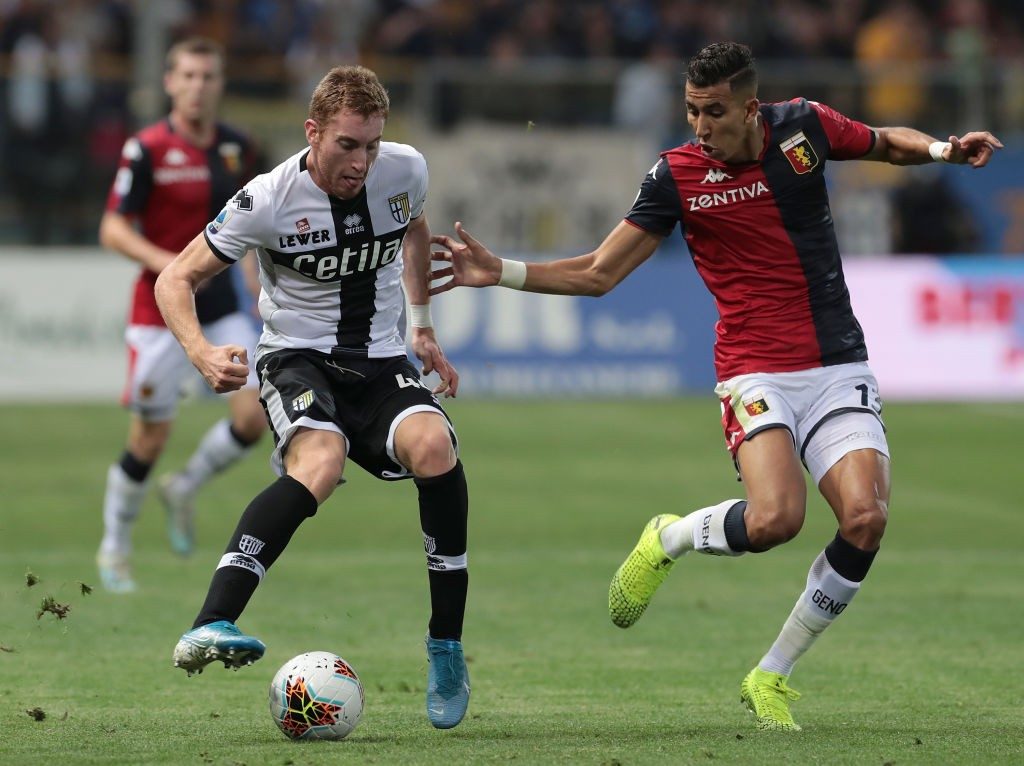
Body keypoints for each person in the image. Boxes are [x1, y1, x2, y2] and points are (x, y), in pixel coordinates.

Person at [429, 42, 1002, 731]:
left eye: (714, 112)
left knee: (866, 519)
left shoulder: (804, 130)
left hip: (837, 363)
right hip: (754, 369)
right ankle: (668, 538)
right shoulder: (676, 175)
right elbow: (599, 273)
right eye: (692, 111)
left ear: (749, 107)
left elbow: (885, 144)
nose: (701, 126)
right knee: (775, 522)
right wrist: (505, 272)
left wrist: (942, 149)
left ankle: (772, 674)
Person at [154, 65, 472, 730]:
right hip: (297, 358)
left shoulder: (406, 171)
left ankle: (446, 646)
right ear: (313, 133)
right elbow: (174, 278)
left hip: (379, 359)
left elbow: (413, 229)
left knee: (436, 446)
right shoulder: (267, 199)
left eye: (372, 146)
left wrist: (422, 327)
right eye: (347, 145)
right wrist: (202, 352)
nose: (361, 163)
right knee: (320, 464)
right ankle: (211, 622)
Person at [97, 37, 267, 593]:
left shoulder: (239, 148)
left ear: (220, 84)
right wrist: (170, 267)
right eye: (188, 76)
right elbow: (113, 227)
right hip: (159, 310)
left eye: (208, 76)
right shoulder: (146, 149)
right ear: (169, 82)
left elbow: (258, 224)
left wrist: (256, 280)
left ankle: (186, 485)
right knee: (149, 438)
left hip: (220, 307)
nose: (198, 86)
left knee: (252, 417)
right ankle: (115, 547)